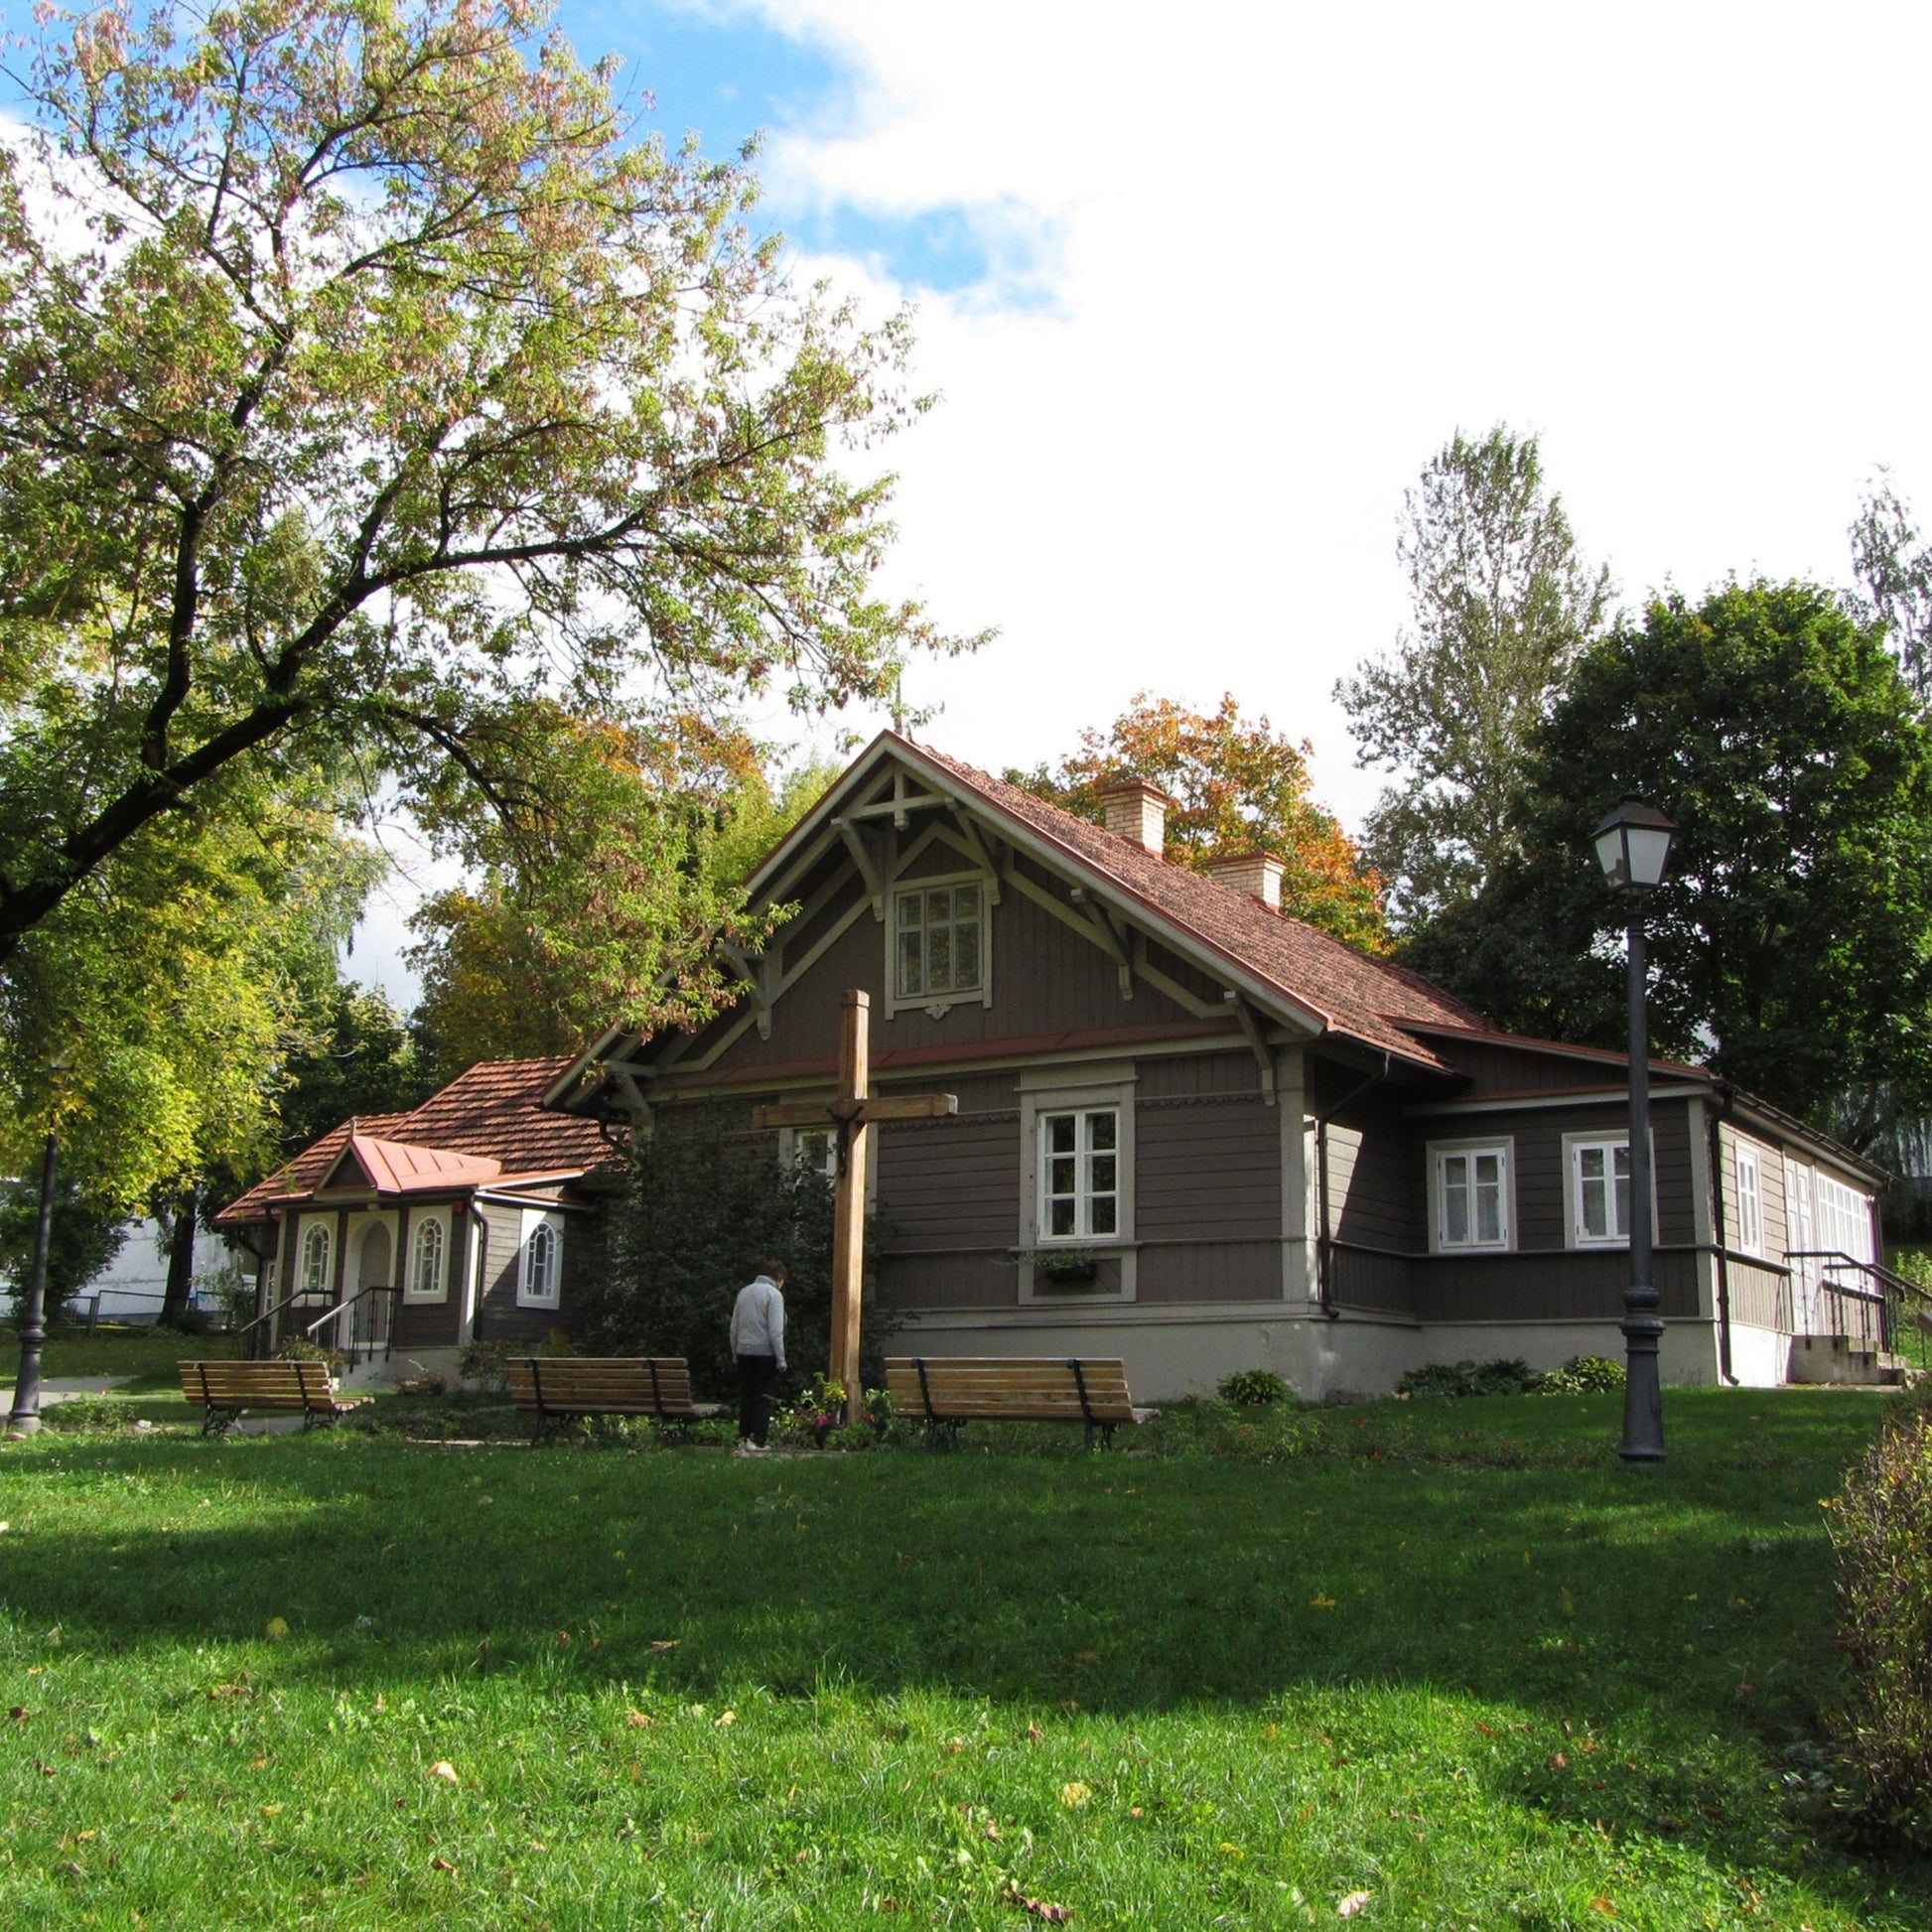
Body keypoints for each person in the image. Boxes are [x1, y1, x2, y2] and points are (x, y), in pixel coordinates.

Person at [730, 1260, 787, 1454]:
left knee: (747, 1395)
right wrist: (781, 1358)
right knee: (763, 1396)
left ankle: (743, 1437)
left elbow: (734, 1327)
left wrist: (734, 1352)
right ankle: (758, 1439)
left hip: (743, 1351)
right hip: (765, 1353)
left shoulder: (744, 1292)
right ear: (779, 1279)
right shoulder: (774, 1295)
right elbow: (775, 1331)